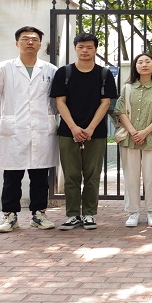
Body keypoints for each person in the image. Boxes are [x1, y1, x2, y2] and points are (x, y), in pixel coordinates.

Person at [0, 26, 59, 233]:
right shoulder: (4, 68)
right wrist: (2, 123)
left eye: (34, 39)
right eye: (25, 39)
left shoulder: (50, 70)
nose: (30, 42)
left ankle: (39, 214)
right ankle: (9, 216)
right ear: (17, 43)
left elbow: (55, 101)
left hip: (42, 129)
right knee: (12, 177)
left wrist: (49, 119)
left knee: (40, 176)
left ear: (40, 44)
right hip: (13, 130)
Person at [49, 32, 117, 231]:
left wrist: (90, 128)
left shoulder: (104, 74)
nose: (85, 51)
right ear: (75, 49)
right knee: (71, 175)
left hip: (96, 132)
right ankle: (72, 215)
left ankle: (89, 214)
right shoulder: (64, 73)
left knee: (92, 175)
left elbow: (105, 103)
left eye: (89, 47)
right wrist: (73, 127)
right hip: (67, 131)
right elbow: (60, 102)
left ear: (95, 49)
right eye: (81, 47)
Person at [115, 53, 152, 227]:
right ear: (135, 67)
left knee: (151, 177)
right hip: (129, 139)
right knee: (131, 177)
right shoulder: (127, 88)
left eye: (148, 61)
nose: (144, 64)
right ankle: (133, 212)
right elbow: (120, 111)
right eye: (140, 62)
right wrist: (134, 132)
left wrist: (145, 132)